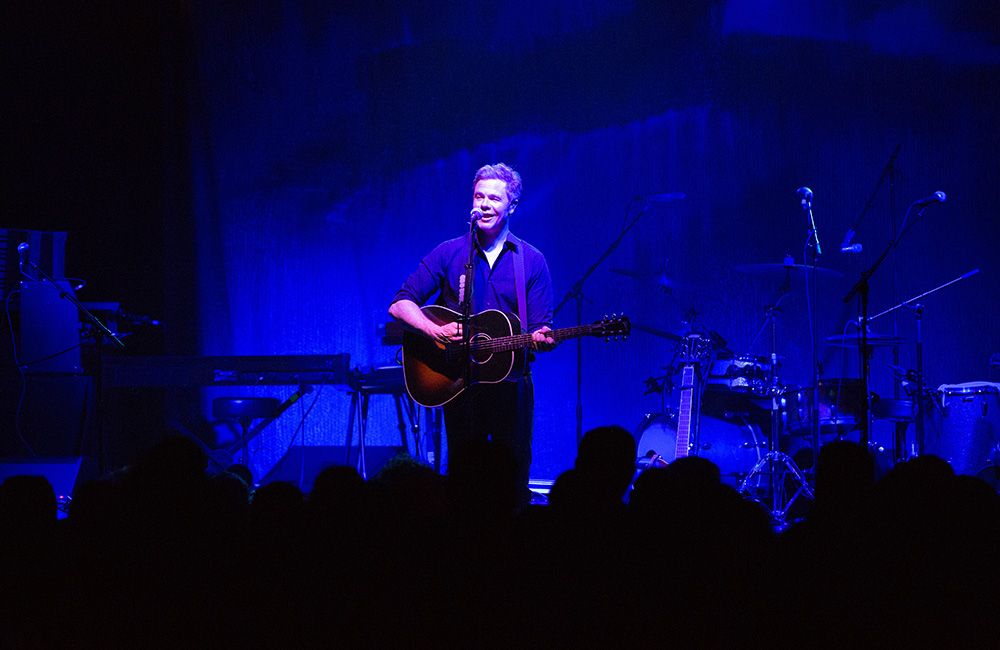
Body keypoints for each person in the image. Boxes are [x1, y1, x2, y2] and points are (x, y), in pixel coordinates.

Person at [389, 163, 556, 511]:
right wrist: (434, 330)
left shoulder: (531, 260)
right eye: (479, 196)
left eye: (494, 198)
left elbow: (541, 327)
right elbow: (400, 304)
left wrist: (542, 338)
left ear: (512, 206)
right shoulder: (450, 253)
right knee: (464, 483)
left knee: (513, 480)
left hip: (512, 384)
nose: (483, 204)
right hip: (459, 384)